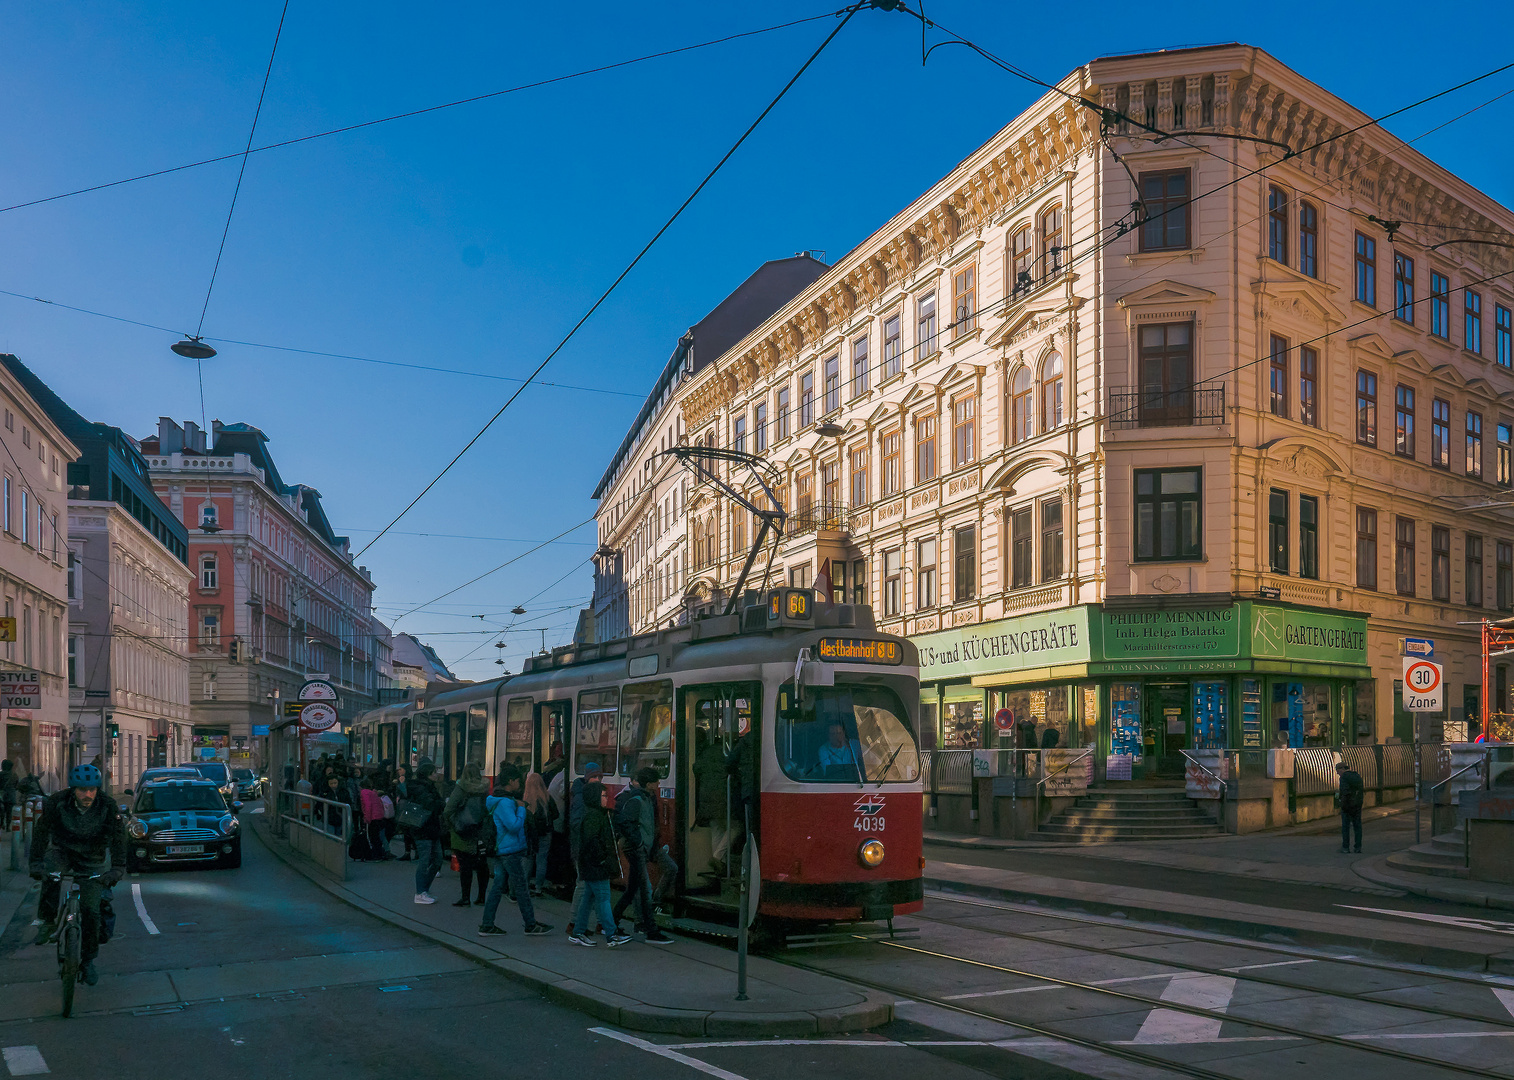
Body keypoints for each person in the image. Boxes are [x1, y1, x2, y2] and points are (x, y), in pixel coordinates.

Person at [29, 764, 125, 987]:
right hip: (63, 850)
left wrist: (117, 868)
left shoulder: (108, 806)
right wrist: (35, 864)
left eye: (91, 789)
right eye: (82, 790)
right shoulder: (56, 802)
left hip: (92, 856)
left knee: (91, 911)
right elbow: (41, 832)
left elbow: (119, 838)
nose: (87, 795)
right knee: (52, 875)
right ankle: (48, 921)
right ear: (73, 789)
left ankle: (88, 961)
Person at [478, 767, 552, 937]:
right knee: (521, 888)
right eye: (518, 781)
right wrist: (521, 809)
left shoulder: (496, 799)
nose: (519, 784)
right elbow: (513, 826)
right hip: (509, 850)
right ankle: (530, 924)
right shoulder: (505, 802)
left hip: (501, 849)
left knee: (498, 887)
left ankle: (487, 924)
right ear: (510, 781)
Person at [612, 767, 675, 944]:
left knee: (632, 890)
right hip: (636, 850)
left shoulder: (646, 798)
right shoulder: (638, 800)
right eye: (656, 781)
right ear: (649, 784)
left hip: (640, 849)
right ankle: (651, 931)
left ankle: (611, 923)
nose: (659, 783)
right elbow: (626, 823)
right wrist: (639, 843)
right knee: (645, 892)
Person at [569, 781, 632, 948]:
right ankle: (611, 934)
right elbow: (593, 840)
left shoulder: (592, 814)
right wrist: (603, 858)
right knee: (603, 899)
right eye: (603, 796)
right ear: (595, 798)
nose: (606, 799)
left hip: (590, 865)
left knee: (588, 899)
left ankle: (578, 932)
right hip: (597, 865)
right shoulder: (595, 816)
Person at [566, 762, 606, 936]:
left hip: (586, 848)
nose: (597, 780)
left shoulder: (585, 794)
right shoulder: (583, 798)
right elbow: (577, 824)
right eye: (594, 777)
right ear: (587, 777)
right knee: (584, 885)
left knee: (593, 886)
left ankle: (601, 923)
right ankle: (574, 923)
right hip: (582, 849)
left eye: (600, 777)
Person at [444, 762, 491, 906]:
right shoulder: (484, 788)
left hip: (462, 832)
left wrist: (452, 825)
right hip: (480, 831)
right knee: (482, 865)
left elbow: (448, 810)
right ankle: (481, 897)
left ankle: (465, 898)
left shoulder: (460, 788)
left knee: (465, 867)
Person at [407, 760, 445, 903]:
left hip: (431, 829)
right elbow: (433, 805)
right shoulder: (422, 788)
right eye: (434, 772)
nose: (436, 774)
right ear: (428, 775)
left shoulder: (428, 787)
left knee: (437, 859)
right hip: (423, 829)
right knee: (425, 860)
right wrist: (441, 803)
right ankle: (420, 892)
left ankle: (424, 890)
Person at [693, 728, 729, 875]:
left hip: (705, 800)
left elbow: (696, 769)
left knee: (717, 829)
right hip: (721, 800)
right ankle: (718, 857)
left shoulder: (704, 754)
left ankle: (720, 866)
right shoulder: (725, 755)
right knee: (735, 827)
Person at [522, 771, 553, 896]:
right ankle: (538, 887)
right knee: (542, 860)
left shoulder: (526, 799)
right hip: (546, 832)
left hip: (531, 833)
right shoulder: (547, 797)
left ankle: (524, 886)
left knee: (528, 859)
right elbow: (555, 813)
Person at [1337, 760, 1365, 854]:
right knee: (1357, 826)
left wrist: (1342, 804)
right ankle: (1358, 847)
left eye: (1338, 771)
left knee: (1346, 827)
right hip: (1357, 805)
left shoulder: (1344, 777)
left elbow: (1345, 792)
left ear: (1341, 769)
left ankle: (1345, 847)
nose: (1337, 773)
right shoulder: (1356, 776)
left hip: (1347, 806)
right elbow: (1361, 790)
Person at [392, 765, 415, 860]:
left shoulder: (409, 781)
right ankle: (408, 851)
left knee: (408, 830)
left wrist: (401, 784)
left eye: (401, 769)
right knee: (407, 830)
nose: (398, 771)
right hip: (403, 806)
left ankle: (409, 852)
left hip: (407, 807)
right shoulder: (400, 779)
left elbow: (406, 793)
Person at [1, 758, 18, 831]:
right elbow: (17, 785)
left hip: (1, 795)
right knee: (9, 812)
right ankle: (8, 826)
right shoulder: (14, 775)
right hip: (11, 795)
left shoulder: (0, 775)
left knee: (1, 811)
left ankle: (2, 823)